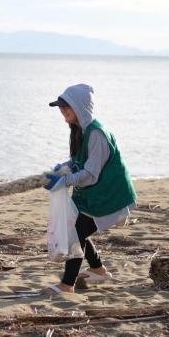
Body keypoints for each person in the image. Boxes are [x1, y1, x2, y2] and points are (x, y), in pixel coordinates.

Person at [42, 83, 136, 295]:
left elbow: (91, 174)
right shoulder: (79, 131)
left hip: (110, 195)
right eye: (60, 107)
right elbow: (79, 160)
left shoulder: (97, 134)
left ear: (80, 107)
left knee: (76, 232)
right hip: (95, 194)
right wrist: (63, 168)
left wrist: (64, 181)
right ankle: (98, 270)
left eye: (67, 107)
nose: (62, 111)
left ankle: (67, 285)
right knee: (79, 230)